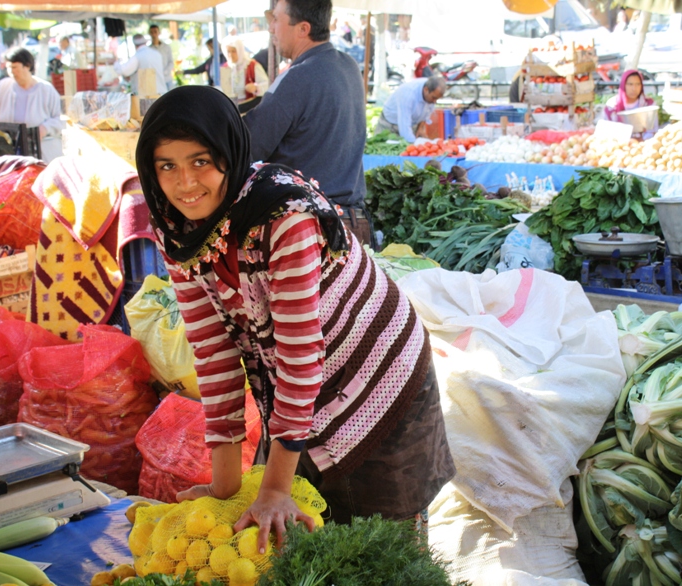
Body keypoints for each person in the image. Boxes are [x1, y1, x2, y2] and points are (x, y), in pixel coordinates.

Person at [136, 85, 455, 553]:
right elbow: (214, 353)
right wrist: (224, 489)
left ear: (228, 152)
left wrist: (275, 489)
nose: (185, 182)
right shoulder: (177, 230)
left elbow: (301, 353)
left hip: (379, 377)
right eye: (168, 166)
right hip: (299, 384)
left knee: (380, 547)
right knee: (289, 538)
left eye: (201, 161)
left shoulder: (281, 216)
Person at [243, 0, 371, 248]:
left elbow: (249, 145)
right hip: (353, 223)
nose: (271, 29)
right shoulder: (348, 66)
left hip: (311, 230)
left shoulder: (298, 76)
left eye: (276, 19)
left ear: (303, 29)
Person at [0, 47, 63, 162]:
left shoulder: (46, 89)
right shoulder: (3, 86)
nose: (11, 72)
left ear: (27, 66)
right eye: (9, 67)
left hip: (41, 149)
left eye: (15, 67)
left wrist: (45, 128)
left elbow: (60, 118)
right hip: (9, 149)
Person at [377, 77, 446, 143]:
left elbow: (426, 112)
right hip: (389, 124)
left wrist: (420, 127)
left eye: (437, 99)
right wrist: (414, 147)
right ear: (426, 90)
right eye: (433, 98)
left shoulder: (431, 90)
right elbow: (404, 127)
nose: (434, 102)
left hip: (412, 124)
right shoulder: (408, 95)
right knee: (381, 151)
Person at [219, 36, 269, 114]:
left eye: (233, 51)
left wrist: (256, 87)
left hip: (250, 109)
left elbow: (267, 85)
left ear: (240, 50)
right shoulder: (225, 68)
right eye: (228, 51)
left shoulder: (252, 65)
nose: (230, 55)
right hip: (232, 109)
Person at [603, 69, 659, 136]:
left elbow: (653, 129)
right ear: (623, 85)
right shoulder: (612, 106)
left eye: (638, 84)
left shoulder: (649, 104)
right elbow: (606, 131)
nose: (634, 88)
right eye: (630, 84)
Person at [148, 24, 175, 90]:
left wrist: (165, 72)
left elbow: (171, 62)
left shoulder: (166, 47)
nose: (154, 34)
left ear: (159, 33)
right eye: (152, 32)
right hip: (155, 81)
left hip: (167, 79)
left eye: (155, 31)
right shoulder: (149, 49)